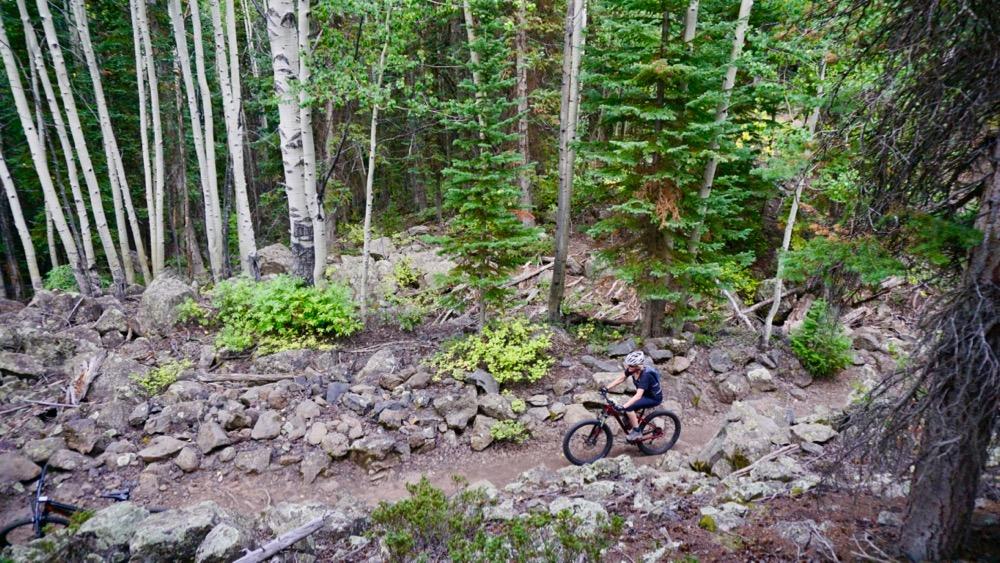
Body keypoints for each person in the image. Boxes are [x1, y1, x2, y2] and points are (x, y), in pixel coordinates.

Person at [603, 350, 663, 440]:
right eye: (628, 364)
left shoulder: (645, 376)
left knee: (628, 407)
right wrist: (606, 388)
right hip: (644, 395)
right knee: (627, 408)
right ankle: (631, 421)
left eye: (631, 365)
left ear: (638, 365)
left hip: (653, 398)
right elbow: (621, 378)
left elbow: (638, 396)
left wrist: (624, 407)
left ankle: (637, 431)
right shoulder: (633, 369)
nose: (628, 367)